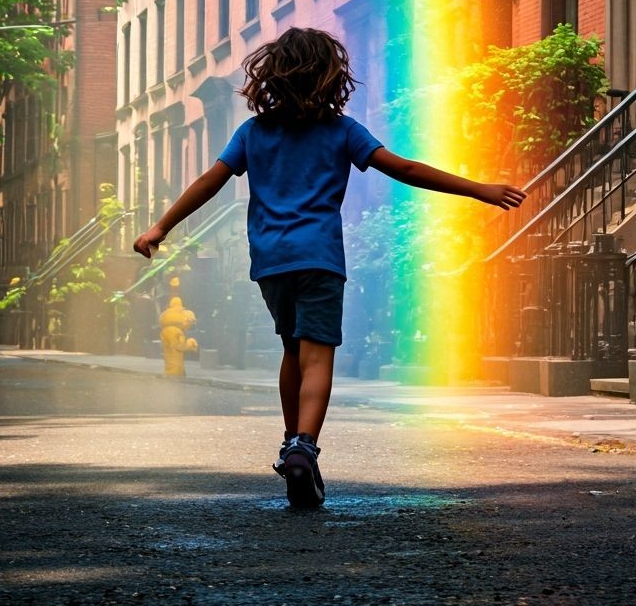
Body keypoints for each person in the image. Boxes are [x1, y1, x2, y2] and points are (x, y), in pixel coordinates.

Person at [133, 27, 525, 508]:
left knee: (291, 350)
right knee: (318, 355)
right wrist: (479, 189)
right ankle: (304, 447)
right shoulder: (341, 131)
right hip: (319, 255)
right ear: (330, 76)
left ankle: (289, 441)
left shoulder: (253, 133)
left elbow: (210, 181)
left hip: (271, 260)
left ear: (272, 76)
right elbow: (403, 169)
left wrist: (159, 228)